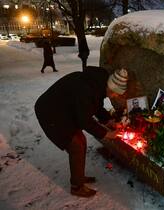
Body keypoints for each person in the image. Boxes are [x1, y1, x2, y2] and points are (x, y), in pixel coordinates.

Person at [35, 66, 128, 197]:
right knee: (76, 145)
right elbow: (84, 120)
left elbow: (96, 105)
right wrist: (106, 134)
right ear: (110, 86)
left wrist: (108, 120)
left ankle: (79, 177)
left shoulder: (97, 84)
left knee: (80, 142)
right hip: (50, 112)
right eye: (114, 93)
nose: (114, 96)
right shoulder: (86, 89)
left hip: (64, 110)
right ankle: (76, 187)